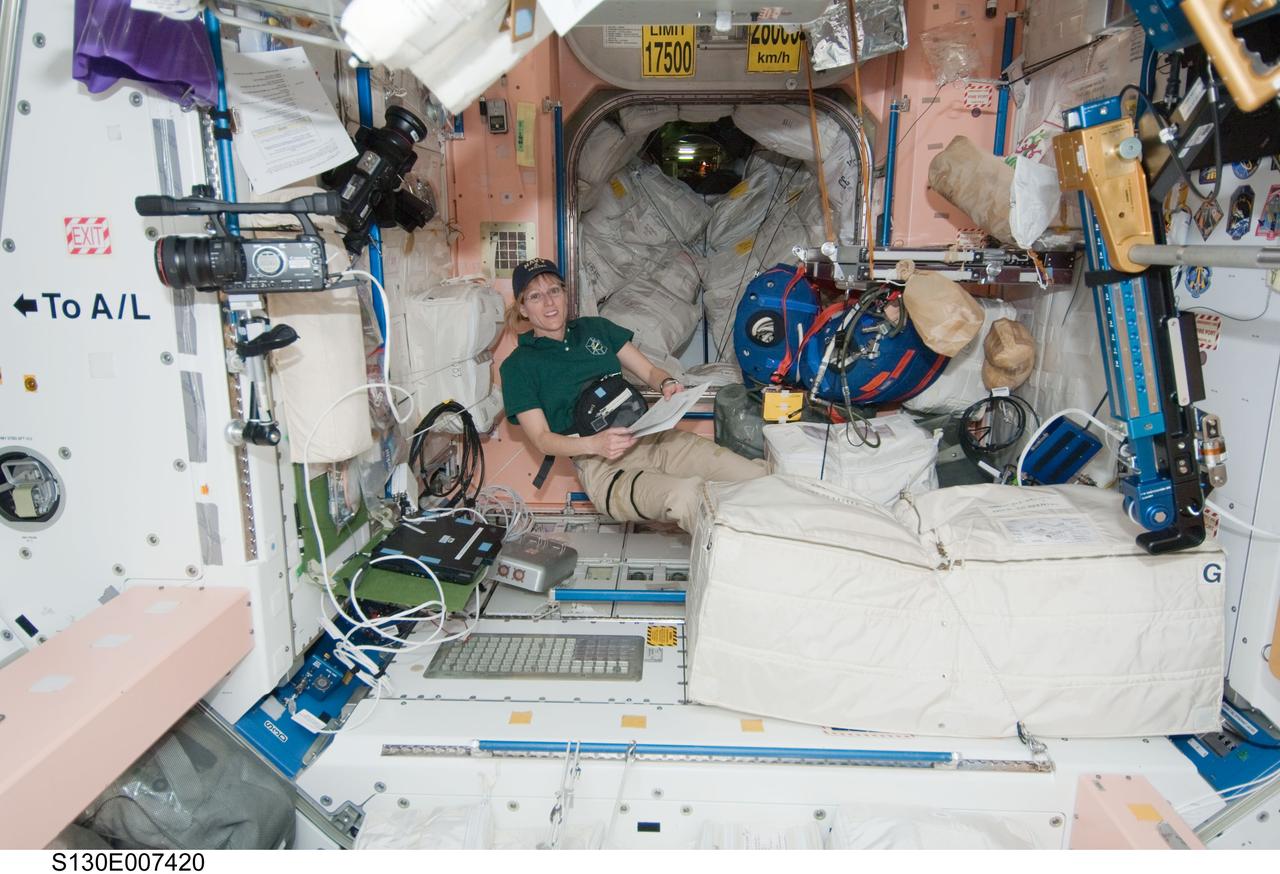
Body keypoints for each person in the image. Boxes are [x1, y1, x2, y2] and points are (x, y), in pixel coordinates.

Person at [498, 257, 766, 533]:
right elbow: (543, 440)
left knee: (757, 477)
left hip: (654, 439)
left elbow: (650, 372)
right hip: (605, 466)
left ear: (565, 294)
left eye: (554, 290)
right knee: (689, 497)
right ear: (523, 309)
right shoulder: (518, 366)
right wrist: (595, 445)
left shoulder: (595, 329)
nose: (549, 303)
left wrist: (667, 383)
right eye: (535, 296)